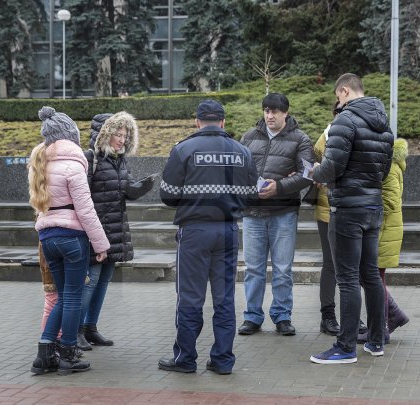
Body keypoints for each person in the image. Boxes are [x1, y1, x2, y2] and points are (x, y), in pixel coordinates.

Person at [158, 99, 258, 375]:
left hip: (194, 231)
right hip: (228, 231)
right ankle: (223, 359)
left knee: (190, 297)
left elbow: (167, 194)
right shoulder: (242, 151)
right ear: (223, 122)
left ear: (197, 121)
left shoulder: (183, 149)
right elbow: (252, 194)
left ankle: (185, 358)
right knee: (225, 298)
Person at [308, 73, 394, 364]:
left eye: (338, 96)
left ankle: (345, 348)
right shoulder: (384, 125)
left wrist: (314, 171)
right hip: (373, 207)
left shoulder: (345, 121)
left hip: (347, 209)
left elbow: (331, 168)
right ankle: (376, 341)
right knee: (370, 275)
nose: (338, 102)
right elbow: (383, 173)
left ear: (344, 91)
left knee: (347, 280)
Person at [29, 106, 111, 376]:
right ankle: (68, 354)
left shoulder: (40, 161)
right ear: (70, 136)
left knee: (63, 296)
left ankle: (44, 355)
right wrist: (101, 245)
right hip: (72, 238)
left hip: (47, 236)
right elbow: (85, 209)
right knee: (72, 297)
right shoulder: (73, 164)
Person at [238, 93, 314, 336]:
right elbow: (237, 171)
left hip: (283, 213)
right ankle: (252, 317)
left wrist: (279, 187)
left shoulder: (300, 139)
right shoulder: (248, 137)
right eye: (266, 111)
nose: (270, 115)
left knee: (282, 269)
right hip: (252, 212)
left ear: (285, 113)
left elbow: (307, 174)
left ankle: (282, 317)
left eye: (275, 111)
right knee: (253, 269)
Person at [78, 111, 154, 350]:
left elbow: (127, 190)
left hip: (114, 229)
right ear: (105, 135)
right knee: (91, 280)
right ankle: (75, 330)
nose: (122, 140)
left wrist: (145, 185)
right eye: (117, 134)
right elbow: (81, 198)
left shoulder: (119, 160)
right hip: (94, 230)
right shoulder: (90, 158)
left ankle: (91, 328)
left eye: (125, 135)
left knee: (103, 281)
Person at [358, 137, 410, 343]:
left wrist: (364, 207)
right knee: (372, 278)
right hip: (382, 231)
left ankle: (382, 327)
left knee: (372, 278)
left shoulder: (387, 165)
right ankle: (392, 317)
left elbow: (389, 201)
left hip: (382, 232)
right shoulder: (386, 162)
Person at [312, 105, 340, 336]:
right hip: (327, 210)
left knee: (353, 267)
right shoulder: (326, 136)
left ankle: (353, 316)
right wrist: (316, 175)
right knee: (330, 264)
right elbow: (313, 168)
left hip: (351, 208)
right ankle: (327, 315)